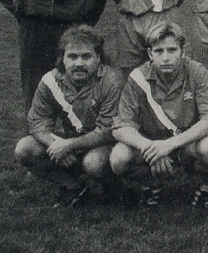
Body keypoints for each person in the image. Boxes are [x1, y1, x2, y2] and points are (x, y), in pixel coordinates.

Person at [109, 22, 208, 207]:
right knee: (118, 158)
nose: (166, 58)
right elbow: (121, 127)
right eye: (159, 51)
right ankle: (151, 185)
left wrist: (169, 145)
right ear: (150, 54)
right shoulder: (138, 77)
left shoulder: (197, 71)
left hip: (185, 144)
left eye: (172, 50)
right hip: (152, 144)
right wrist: (149, 148)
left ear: (182, 51)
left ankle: (204, 189)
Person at [14, 26, 125, 207]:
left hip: (104, 144)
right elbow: (37, 121)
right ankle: (71, 185)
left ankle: (112, 186)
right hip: (71, 139)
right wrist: (55, 145)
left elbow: (107, 130)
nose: (79, 63)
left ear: (98, 57)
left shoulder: (111, 80)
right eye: (72, 57)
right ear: (63, 58)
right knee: (24, 148)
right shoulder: (50, 80)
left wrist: (68, 145)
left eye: (86, 57)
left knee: (94, 163)